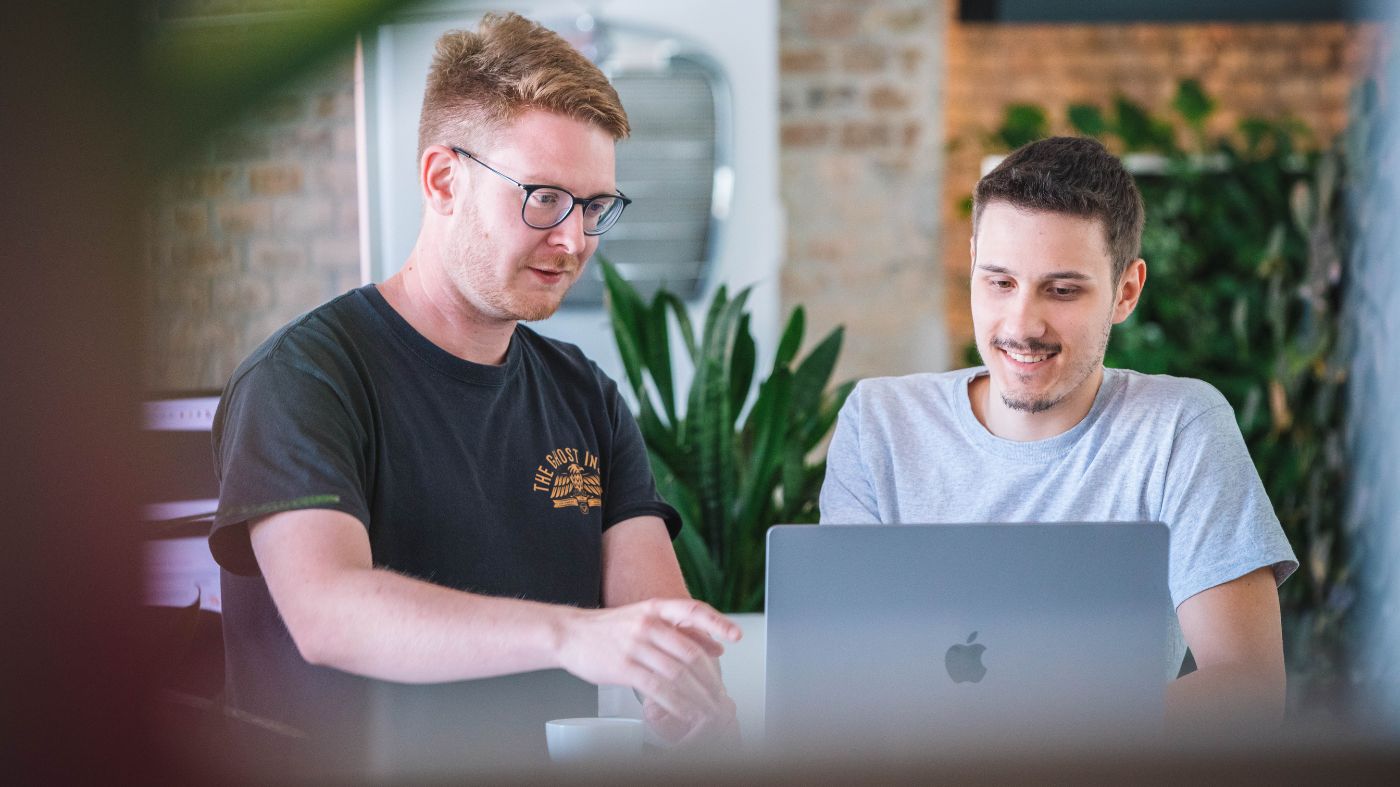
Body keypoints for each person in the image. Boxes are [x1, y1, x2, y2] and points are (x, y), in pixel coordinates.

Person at [209, 13, 738, 770]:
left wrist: (692, 700)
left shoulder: (585, 398)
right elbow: (327, 612)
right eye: (546, 197)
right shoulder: (305, 377)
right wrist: (570, 633)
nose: (574, 240)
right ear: (443, 180)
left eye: (594, 208)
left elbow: (660, 629)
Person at [819, 136, 1298, 730]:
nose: (1023, 324)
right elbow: (833, 677)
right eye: (999, 282)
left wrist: (1027, 746)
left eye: (1063, 290)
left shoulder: (1181, 426)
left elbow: (1249, 689)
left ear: (1126, 291)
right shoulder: (879, 424)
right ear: (971, 265)